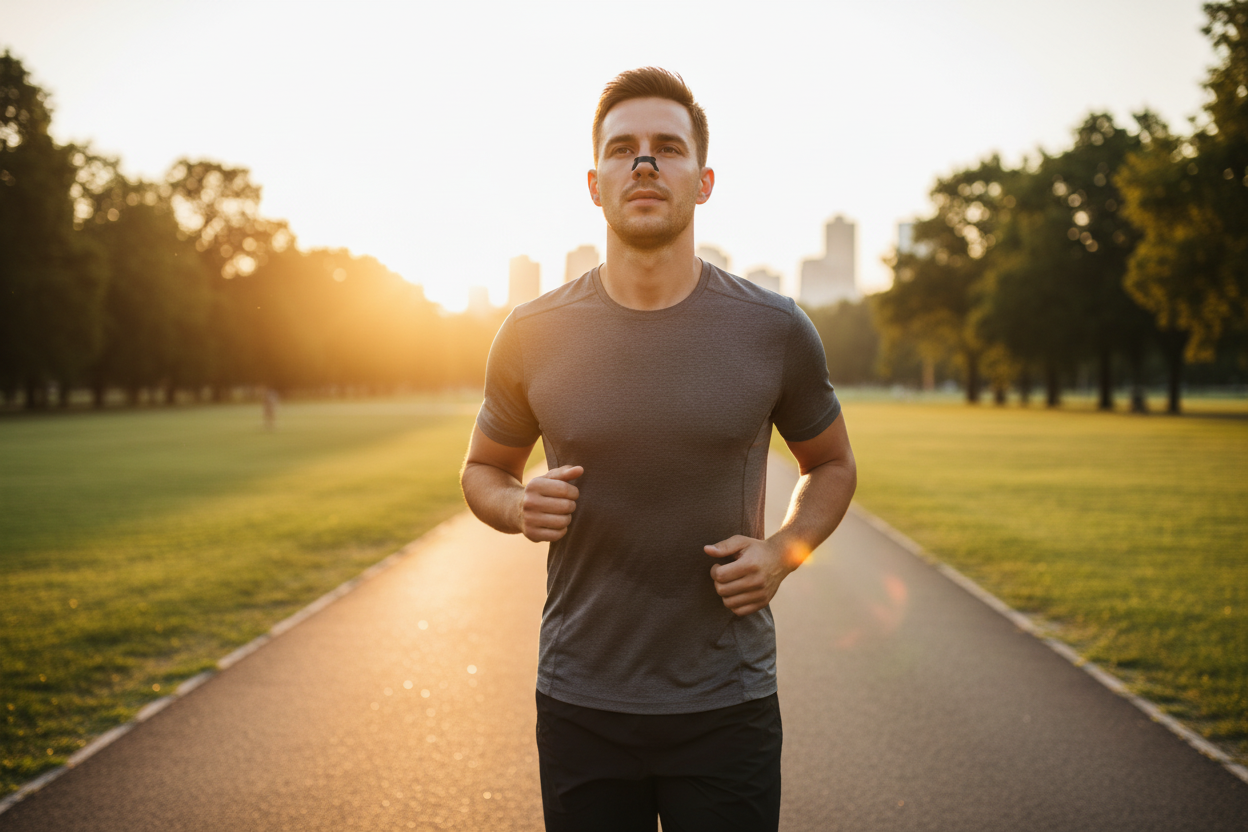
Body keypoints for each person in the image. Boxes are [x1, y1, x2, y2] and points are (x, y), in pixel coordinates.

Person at [460, 67, 857, 832]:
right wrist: (515, 504)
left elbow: (831, 464)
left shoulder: (773, 329)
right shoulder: (531, 332)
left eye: (666, 149)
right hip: (580, 700)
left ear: (704, 181)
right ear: (594, 182)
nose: (644, 165)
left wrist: (786, 551)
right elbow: (483, 470)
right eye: (624, 150)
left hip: (727, 704)